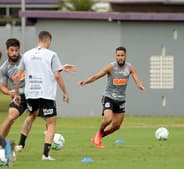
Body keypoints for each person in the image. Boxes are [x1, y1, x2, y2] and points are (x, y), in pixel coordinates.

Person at [0, 38, 76, 153]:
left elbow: (43, 66)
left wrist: (60, 67)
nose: (15, 53)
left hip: (33, 93)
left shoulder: (26, 58)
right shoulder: (4, 68)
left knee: (40, 117)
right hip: (18, 97)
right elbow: (3, 86)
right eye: (12, 50)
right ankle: (2, 143)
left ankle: (31, 143)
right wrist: (8, 92)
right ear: (7, 51)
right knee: (11, 116)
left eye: (16, 50)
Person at [13, 31, 70, 160]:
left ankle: (21, 144)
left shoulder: (27, 55)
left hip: (31, 93)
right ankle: (45, 154)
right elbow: (56, 75)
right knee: (51, 123)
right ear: (48, 40)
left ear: (38, 40)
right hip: (46, 94)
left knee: (31, 115)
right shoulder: (51, 55)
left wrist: (16, 94)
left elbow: (17, 76)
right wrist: (65, 92)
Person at [78, 46, 146, 148]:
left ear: (125, 56)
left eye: (122, 55)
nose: (120, 57)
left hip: (121, 100)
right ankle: (98, 134)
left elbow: (137, 79)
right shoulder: (111, 67)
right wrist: (85, 82)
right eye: (118, 55)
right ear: (115, 56)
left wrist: (140, 85)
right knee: (108, 119)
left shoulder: (130, 67)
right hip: (108, 97)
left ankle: (98, 137)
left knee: (116, 126)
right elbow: (96, 76)